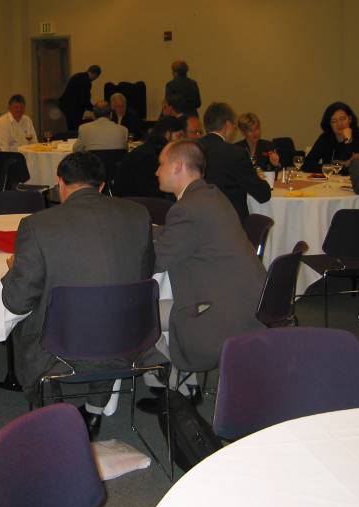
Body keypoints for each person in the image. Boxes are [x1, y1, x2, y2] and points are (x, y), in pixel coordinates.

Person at [1, 152, 154, 439]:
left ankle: (51, 409)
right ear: (101, 185)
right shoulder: (138, 214)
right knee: (109, 307)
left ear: (60, 183)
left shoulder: (36, 225)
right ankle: (94, 410)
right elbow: (144, 274)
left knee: (28, 322)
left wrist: (13, 271)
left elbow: (17, 301)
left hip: (63, 344)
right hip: (128, 338)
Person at [152, 138, 266, 377]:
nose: (157, 171)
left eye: (161, 164)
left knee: (137, 315)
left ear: (177, 166)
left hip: (223, 314)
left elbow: (156, 261)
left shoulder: (187, 209)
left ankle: (163, 381)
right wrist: (151, 231)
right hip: (248, 302)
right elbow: (182, 236)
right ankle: (182, 384)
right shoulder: (211, 195)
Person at [200, 102, 271, 222]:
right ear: (227, 124)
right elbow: (262, 194)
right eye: (234, 125)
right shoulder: (235, 153)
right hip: (230, 223)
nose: (234, 129)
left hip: (199, 219)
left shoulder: (192, 148)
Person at [113, 115, 185, 198]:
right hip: (133, 200)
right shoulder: (148, 156)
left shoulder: (150, 150)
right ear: (167, 135)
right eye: (179, 136)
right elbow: (151, 191)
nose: (181, 140)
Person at [302, 101, 359, 172]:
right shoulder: (325, 138)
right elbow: (306, 165)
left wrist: (348, 140)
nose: (339, 124)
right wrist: (337, 166)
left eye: (342, 119)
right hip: (329, 178)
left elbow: (353, 170)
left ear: (350, 119)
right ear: (329, 124)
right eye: (334, 121)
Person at [59, 65, 101, 131]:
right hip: (75, 109)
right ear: (95, 74)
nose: (95, 79)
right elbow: (84, 99)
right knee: (76, 129)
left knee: (71, 128)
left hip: (67, 106)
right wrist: (94, 109)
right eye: (96, 77)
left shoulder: (78, 76)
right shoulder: (86, 81)